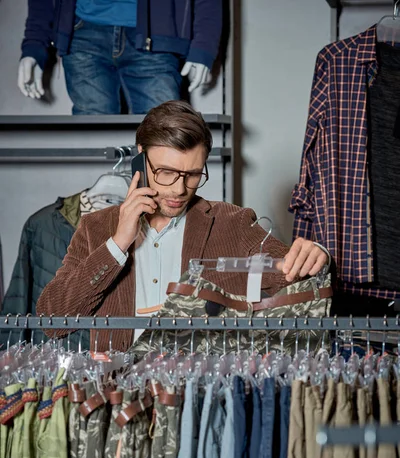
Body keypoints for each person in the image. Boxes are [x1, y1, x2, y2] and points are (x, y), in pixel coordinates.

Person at [37, 100, 329, 351]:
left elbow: (289, 272)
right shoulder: (95, 228)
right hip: (120, 396)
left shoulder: (232, 222)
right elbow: (52, 319)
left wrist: (315, 256)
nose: (179, 189)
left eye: (192, 174)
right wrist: (117, 245)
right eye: (166, 172)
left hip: (199, 394)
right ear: (141, 156)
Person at [18, 0, 221, 114]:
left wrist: (204, 45)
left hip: (156, 35)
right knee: (93, 140)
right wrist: (35, 44)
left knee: (164, 137)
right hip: (82, 32)